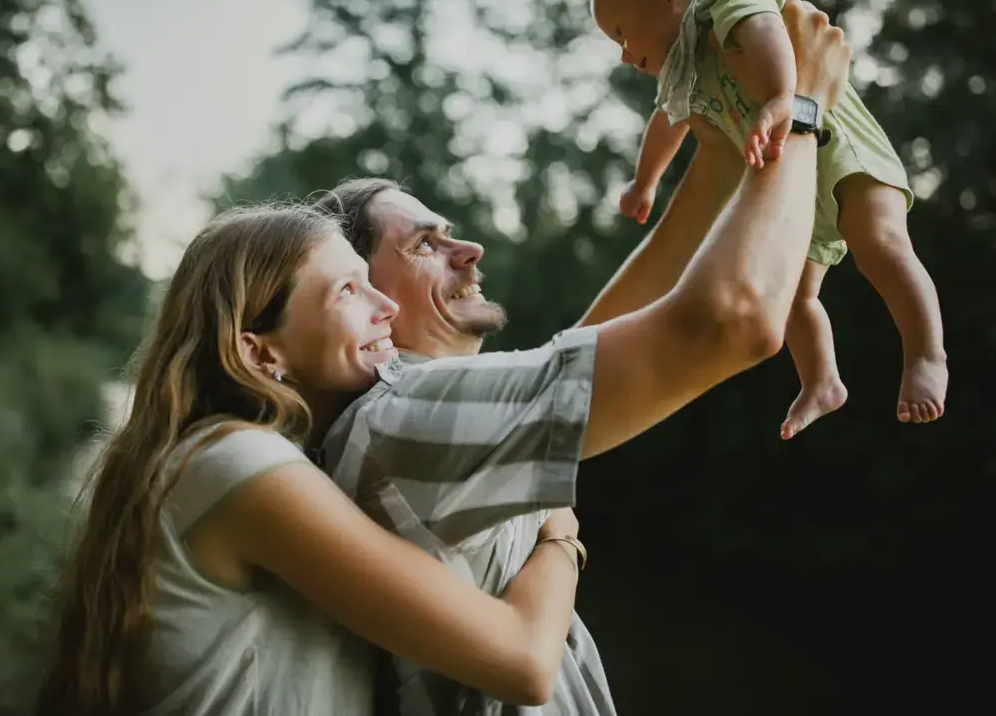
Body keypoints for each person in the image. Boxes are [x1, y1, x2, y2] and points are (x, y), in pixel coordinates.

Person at [311, 0, 853, 715]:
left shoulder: (426, 415)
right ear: (360, 295)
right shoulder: (399, 418)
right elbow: (733, 320)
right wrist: (804, 111)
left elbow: (611, 329)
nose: (469, 247)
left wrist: (732, 111)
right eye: (426, 245)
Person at [35, 205, 590, 716]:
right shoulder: (240, 462)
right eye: (349, 290)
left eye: (370, 281)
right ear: (260, 352)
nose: (387, 308)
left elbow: (577, 356)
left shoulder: (251, 456)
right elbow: (524, 662)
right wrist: (559, 533)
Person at [592, 0, 947, 439]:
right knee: (795, 298)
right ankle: (822, 380)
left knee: (883, 245)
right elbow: (669, 120)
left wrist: (787, 95)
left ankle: (926, 354)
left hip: (839, 147)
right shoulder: (686, 70)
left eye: (622, 33)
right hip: (798, 185)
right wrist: (644, 182)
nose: (624, 54)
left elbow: (763, 28)